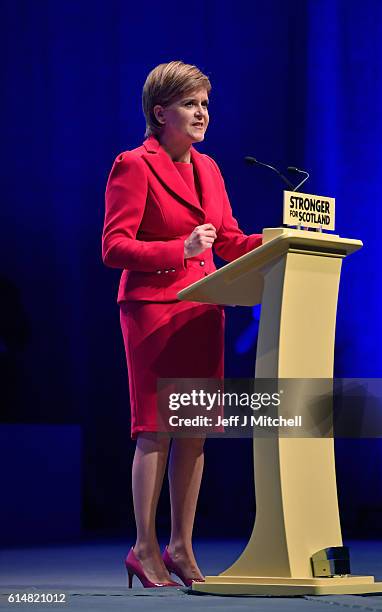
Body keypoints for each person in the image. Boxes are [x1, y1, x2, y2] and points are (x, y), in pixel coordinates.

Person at [102, 61, 262, 588]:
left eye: (205, 105)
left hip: (200, 308)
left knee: (194, 433)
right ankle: (143, 547)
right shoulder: (133, 164)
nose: (202, 114)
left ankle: (180, 548)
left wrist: (278, 240)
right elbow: (114, 246)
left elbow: (230, 239)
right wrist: (179, 249)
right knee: (156, 430)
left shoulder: (211, 168)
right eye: (191, 104)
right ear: (160, 112)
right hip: (152, 308)